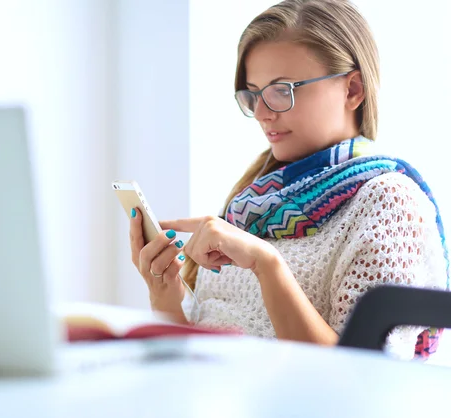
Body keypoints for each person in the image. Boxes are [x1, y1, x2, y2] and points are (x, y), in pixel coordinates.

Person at [128, 0, 449, 360]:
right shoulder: (255, 199)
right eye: (254, 94)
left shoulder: (388, 202)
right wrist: (165, 295)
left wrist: (268, 266)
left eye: (283, 90)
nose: (262, 114)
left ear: (353, 90)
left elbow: (365, 375)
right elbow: (201, 351)